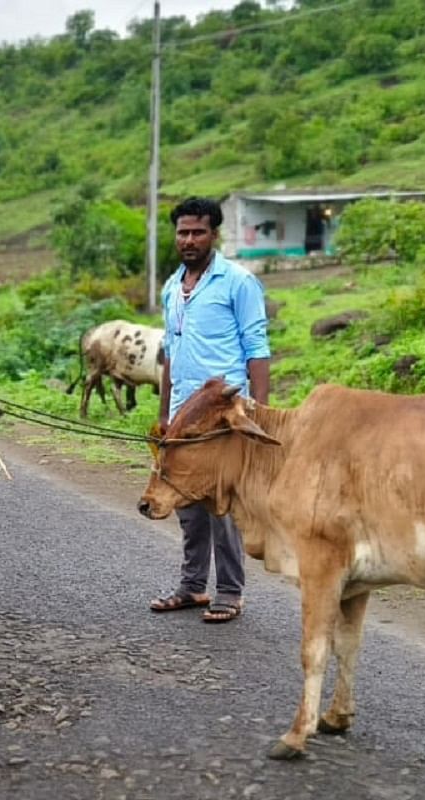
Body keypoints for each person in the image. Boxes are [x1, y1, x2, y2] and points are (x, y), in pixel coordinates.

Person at [150, 196, 271, 624]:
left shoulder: (238, 282)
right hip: (185, 415)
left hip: (223, 417)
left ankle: (229, 592)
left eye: (197, 232)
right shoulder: (171, 286)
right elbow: (169, 353)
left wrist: (258, 410)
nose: (189, 239)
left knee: (222, 507)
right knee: (187, 503)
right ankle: (191, 586)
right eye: (182, 232)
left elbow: (257, 350)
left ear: (214, 234)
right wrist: (166, 413)